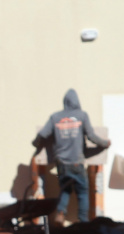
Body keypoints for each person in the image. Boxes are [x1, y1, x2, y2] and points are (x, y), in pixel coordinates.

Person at [33, 89, 110, 224]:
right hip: (76, 162)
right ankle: (83, 221)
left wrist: (35, 143)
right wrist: (105, 143)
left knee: (65, 189)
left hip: (61, 163)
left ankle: (60, 213)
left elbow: (43, 134)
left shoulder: (55, 117)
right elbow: (91, 136)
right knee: (82, 192)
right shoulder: (82, 116)